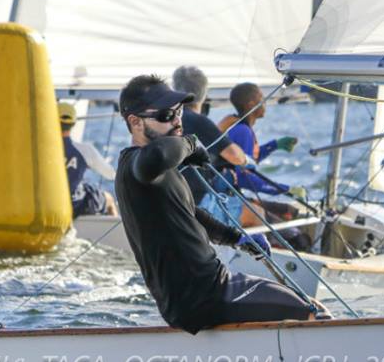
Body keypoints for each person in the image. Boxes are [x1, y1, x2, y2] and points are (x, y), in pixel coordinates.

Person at [114, 74, 324, 333]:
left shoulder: (158, 172)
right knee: (313, 313)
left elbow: (190, 214)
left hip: (213, 288)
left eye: (179, 112)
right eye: (166, 115)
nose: (177, 121)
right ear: (135, 122)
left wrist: (237, 238)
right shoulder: (137, 166)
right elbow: (157, 156)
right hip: (206, 297)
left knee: (308, 303)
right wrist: (190, 143)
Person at [171, 66, 265, 229]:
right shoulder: (198, 120)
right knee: (257, 213)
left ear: (174, 91)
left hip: (170, 200)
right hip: (196, 203)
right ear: (203, 94)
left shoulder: (166, 119)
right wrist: (247, 161)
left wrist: (218, 128)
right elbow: (235, 156)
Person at [217, 82, 306, 203]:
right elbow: (244, 177)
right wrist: (285, 189)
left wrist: (275, 145)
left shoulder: (242, 128)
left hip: (229, 192)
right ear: (251, 105)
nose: (265, 102)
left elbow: (249, 160)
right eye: (262, 98)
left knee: (283, 209)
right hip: (223, 196)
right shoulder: (243, 131)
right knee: (285, 211)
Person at [58, 102, 118, 218]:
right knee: (109, 199)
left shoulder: (39, 150)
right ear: (73, 123)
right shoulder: (85, 150)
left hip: (48, 204)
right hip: (76, 205)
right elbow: (110, 175)